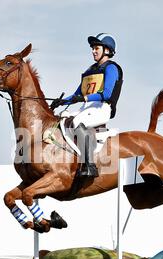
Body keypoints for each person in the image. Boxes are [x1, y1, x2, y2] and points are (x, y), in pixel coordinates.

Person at [50, 33, 123, 178]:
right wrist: (62, 102)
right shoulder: (90, 71)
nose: (93, 51)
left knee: (77, 122)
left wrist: (83, 98)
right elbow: (78, 94)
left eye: (96, 48)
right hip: (87, 108)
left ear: (107, 50)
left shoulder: (111, 68)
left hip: (102, 108)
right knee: (63, 118)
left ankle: (90, 166)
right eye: (92, 48)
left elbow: (107, 94)